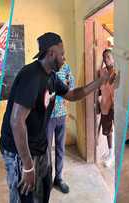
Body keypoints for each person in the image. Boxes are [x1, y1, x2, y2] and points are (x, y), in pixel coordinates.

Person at [0, 32, 110, 203]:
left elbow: (72, 94)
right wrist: (28, 167)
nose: (64, 58)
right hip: (18, 152)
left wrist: (99, 82)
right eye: (62, 54)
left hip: (40, 146)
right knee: (24, 197)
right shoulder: (31, 76)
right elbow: (16, 121)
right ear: (51, 53)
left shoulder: (50, 76)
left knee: (42, 192)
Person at [46, 63, 74, 194]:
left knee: (60, 149)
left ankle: (58, 178)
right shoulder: (46, 67)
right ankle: (46, 180)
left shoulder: (66, 68)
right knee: (45, 150)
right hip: (48, 116)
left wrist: (68, 94)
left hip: (61, 114)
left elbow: (71, 82)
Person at [98, 49, 119, 167]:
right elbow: (99, 89)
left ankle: (116, 154)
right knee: (107, 131)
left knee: (118, 131)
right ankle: (111, 153)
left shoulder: (117, 72)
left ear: (113, 57)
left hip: (116, 105)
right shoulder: (102, 72)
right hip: (105, 104)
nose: (106, 60)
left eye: (109, 57)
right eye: (104, 57)